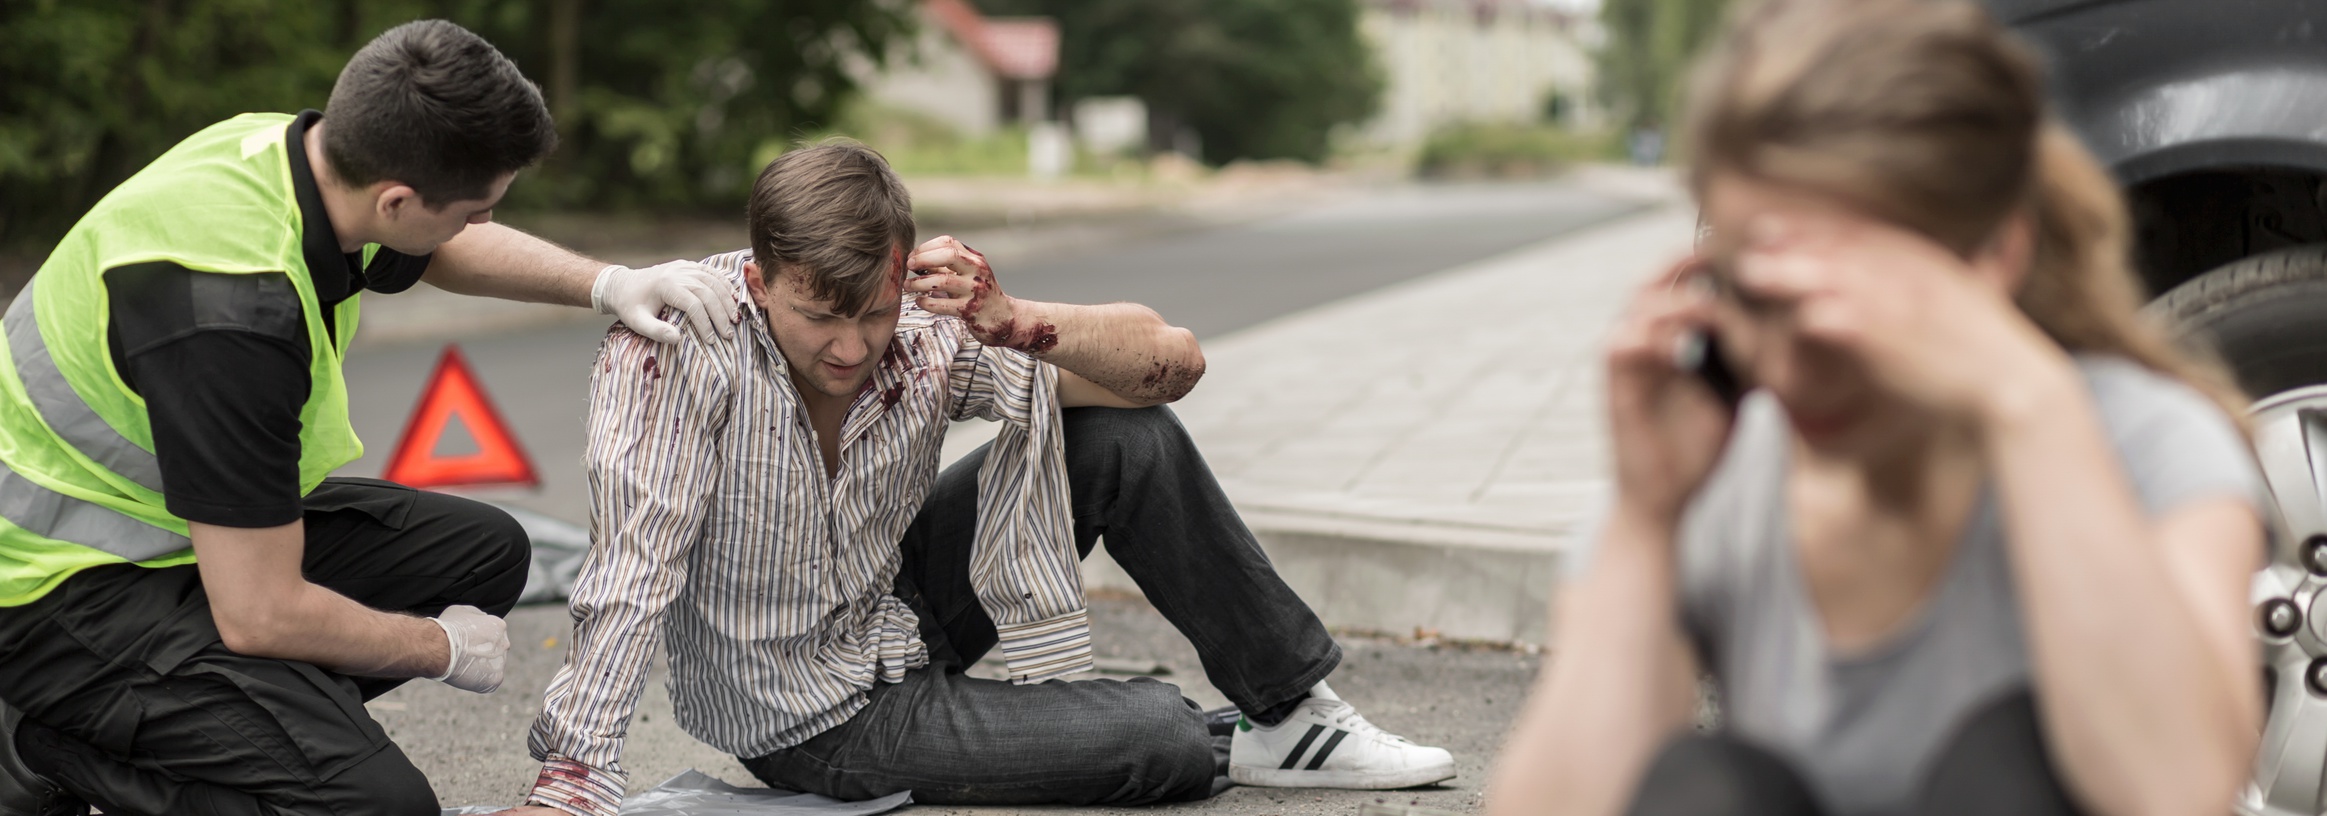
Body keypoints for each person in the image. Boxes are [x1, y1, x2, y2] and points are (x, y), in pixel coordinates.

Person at [494, 142, 1457, 816]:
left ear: (900, 271)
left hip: (895, 603)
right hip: (811, 709)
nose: (849, 346)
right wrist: (572, 780)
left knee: (1129, 438)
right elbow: (632, 567)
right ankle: (1201, 731)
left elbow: (1173, 364)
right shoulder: (677, 348)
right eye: (815, 316)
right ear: (758, 281)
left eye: (870, 313)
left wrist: (1011, 317)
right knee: (1160, 739)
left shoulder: (921, 323)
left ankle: (1295, 712)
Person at [1486, 1, 2269, 815]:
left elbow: (2176, 792)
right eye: (1756, 299)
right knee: (1706, 792)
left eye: (1842, 303)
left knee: (2015, 764)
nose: (1792, 367)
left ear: (1994, 255)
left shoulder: (2141, 441)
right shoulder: (1716, 468)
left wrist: (2030, 405)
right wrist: (1647, 521)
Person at [0, 19, 739, 816]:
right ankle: (46, 746)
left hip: (170, 537)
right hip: (56, 598)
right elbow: (259, 611)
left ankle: (237, 719)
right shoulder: (228, 318)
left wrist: (609, 284)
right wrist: (437, 648)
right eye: (470, 211)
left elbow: (442, 247)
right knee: (376, 807)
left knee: (484, 555)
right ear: (396, 199)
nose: (471, 229)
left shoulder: (296, 159)